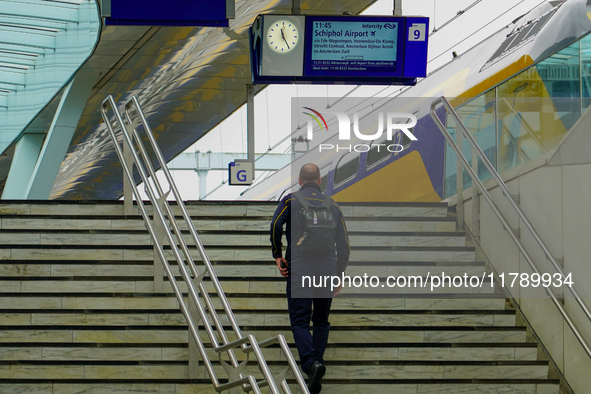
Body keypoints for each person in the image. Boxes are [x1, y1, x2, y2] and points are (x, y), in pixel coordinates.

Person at [270, 163, 350, 394]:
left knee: (300, 322)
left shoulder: (290, 200)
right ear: (320, 181)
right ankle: (317, 366)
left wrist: (277, 255)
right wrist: (339, 274)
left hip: (301, 267)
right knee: (322, 321)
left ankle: (310, 364)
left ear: (300, 180)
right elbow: (344, 245)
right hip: (327, 268)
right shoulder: (332, 205)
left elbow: (275, 225)